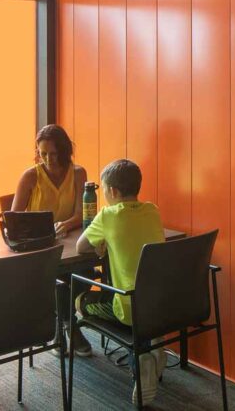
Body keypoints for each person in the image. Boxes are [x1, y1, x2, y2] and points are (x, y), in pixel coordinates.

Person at [75, 159, 165, 406]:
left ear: (112, 191)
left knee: (81, 302)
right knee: (134, 297)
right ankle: (152, 342)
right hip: (162, 306)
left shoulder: (107, 216)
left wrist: (103, 242)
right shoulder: (153, 210)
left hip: (130, 309)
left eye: (104, 190)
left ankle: (140, 355)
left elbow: (81, 246)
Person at [11, 124, 93, 356]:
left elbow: (82, 213)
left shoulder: (78, 173)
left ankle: (62, 324)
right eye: (43, 154)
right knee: (58, 278)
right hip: (40, 248)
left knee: (86, 273)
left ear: (64, 151)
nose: (48, 159)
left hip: (70, 242)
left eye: (54, 154)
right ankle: (70, 325)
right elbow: (13, 219)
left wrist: (66, 224)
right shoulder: (30, 176)